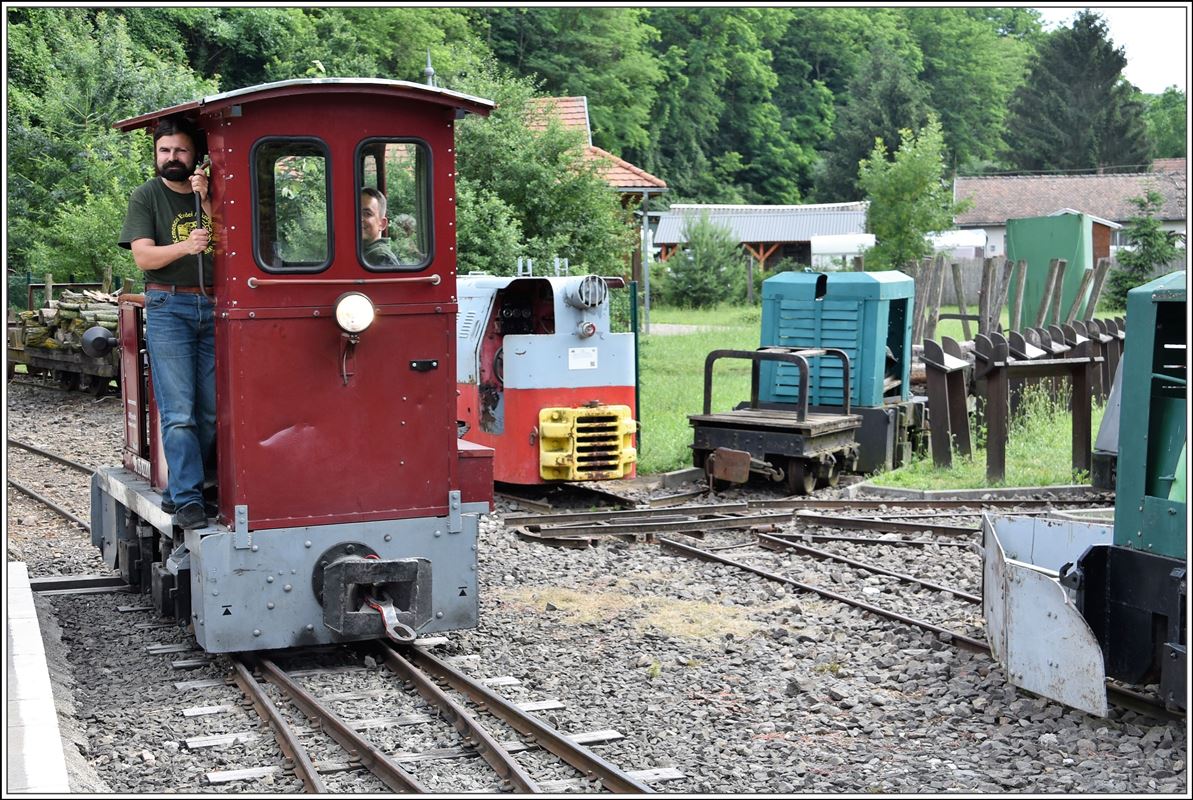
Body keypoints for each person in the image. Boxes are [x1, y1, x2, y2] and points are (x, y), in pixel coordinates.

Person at [118, 116, 216, 531]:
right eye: (164, 151)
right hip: (168, 306)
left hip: (214, 306)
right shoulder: (147, 196)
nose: (171, 158)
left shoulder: (211, 196)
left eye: (180, 151)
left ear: (196, 156)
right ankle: (190, 498)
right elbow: (143, 257)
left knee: (211, 412)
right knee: (179, 412)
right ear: (156, 155)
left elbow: (232, 241)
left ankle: (182, 490)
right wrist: (185, 246)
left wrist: (208, 201)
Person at [361, 188, 400, 266]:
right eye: (354, 212)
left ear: (382, 224)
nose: (359, 218)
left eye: (367, 214)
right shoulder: (362, 253)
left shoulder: (381, 257)